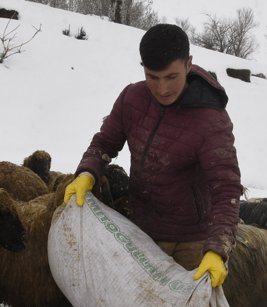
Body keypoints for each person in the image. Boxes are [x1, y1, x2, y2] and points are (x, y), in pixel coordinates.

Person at [64, 23, 242, 288]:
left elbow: (226, 189)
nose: (161, 89)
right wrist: (88, 172)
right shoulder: (132, 98)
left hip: (190, 241)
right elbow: (105, 142)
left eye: (172, 77)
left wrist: (217, 249)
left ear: (189, 64)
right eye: (152, 77)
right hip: (141, 231)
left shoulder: (211, 119)